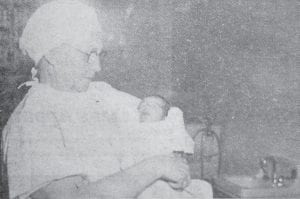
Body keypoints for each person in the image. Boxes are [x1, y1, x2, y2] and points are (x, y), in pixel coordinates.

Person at [1, 0, 213, 198]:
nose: (97, 67)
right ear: (54, 56)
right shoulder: (32, 120)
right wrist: (155, 166)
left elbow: (161, 123)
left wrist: (175, 159)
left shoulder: (99, 93)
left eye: (99, 54)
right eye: (89, 54)